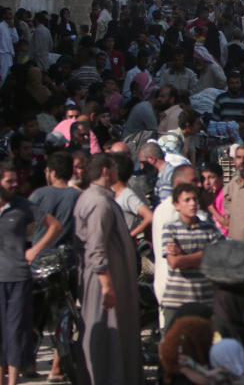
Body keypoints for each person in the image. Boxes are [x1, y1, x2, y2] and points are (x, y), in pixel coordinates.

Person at [73, 154, 141, 384]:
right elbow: (96, 244)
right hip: (104, 282)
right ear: (105, 171)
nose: (116, 172)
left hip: (111, 278)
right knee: (106, 334)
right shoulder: (98, 202)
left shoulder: (101, 198)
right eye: (113, 167)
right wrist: (106, 284)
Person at [0, 163, 62, 385]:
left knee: (15, 331)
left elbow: (55, 226)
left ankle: (13, 381)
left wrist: (35, 249)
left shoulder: (24, 206)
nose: (15, 184)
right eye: (9, 181)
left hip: (18, 277)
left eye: (15, 180)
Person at [160, 180, 224, 327]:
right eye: (187, 200)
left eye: (194, 199)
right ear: (176, 205)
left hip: (204, 299)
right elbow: (174, 263)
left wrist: (182, 254)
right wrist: (204, 256)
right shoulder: (170, 228)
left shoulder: (209, 228)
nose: (192, 203)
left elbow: (218, 259)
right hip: (176, 302)